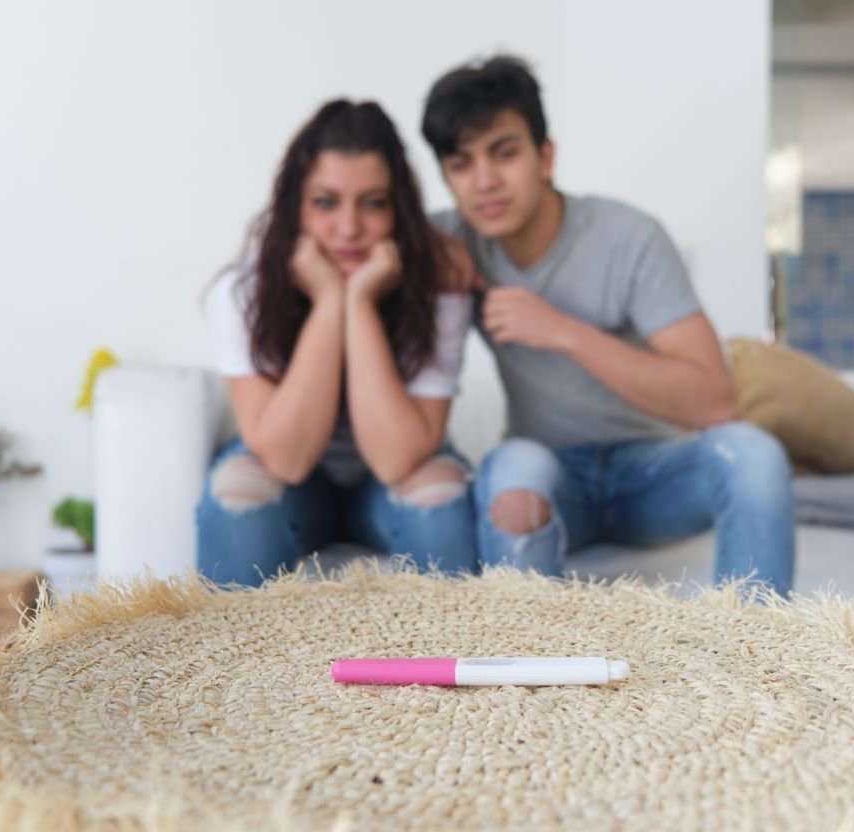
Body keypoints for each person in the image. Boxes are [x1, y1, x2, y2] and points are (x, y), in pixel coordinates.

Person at [422, 56, 796, 596]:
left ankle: (757, 642)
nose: (485, 182)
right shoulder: (450, 240)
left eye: (504, 154)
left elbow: (715, 403)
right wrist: (418, 253)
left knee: (755, 454)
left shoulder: (628, 237)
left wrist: (561, 331)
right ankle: (526, 649)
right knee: (513, 470)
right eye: (461, 165)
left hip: (653, 475)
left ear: (545, 157)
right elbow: (351, 233)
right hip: (550, 476)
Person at [198, 99, 477, 586]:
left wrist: (360, 302)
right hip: (295, 482)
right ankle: (228, 640)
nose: (349, 229)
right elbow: (284, 459)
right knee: (237, 500)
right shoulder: (243, 290)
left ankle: (454, 635)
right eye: (325, 202)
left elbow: (396, 459)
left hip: (387, 480)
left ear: (399, 209)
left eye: (373, 203)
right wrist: (329, 301)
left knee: (440, 502)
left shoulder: (439, 283)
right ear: (295, 207)